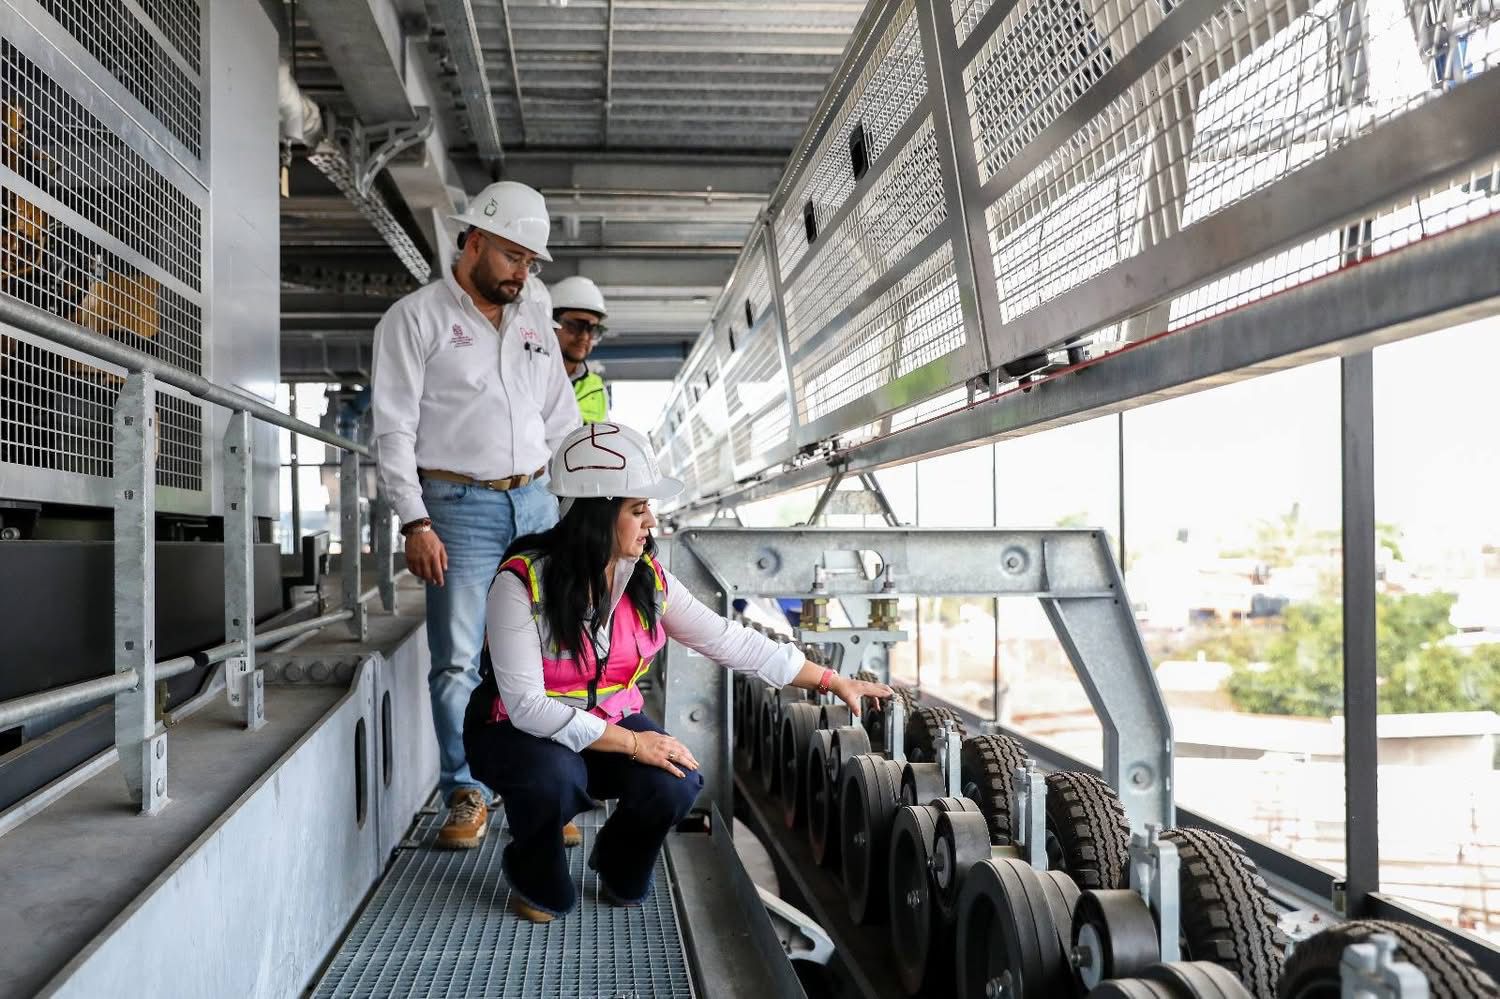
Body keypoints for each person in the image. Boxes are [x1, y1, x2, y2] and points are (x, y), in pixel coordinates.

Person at [464, 422, 893, 922]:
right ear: (596, 513)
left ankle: (619, 862)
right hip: (519, 732)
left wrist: (828, 679)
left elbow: (726, 638)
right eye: (637, 509)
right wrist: (633, 743)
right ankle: (535, 871)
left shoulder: (647, 579)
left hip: (606, 721)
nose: (651, 521)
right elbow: (527, 706)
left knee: (678, 779)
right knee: (555, 779)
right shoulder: (520, 583)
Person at [372, 180, 580, 850]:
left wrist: (586, 500)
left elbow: (560, 415)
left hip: (536, 500)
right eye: (515, 256)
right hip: (456, 507)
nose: (524, 272)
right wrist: (414, 520)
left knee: (548, 650)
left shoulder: (534, 312)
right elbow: (394, 430)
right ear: (476, 240)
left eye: (532, 262)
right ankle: (466, 790)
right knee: (459, 658)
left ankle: (545, 788)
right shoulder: (415, 319)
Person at [549, 275, 610, 423]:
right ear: (550, 324)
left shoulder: (597, 389)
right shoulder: (528, 375)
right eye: (574, 326)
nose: (584, 337)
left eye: (592, 329)